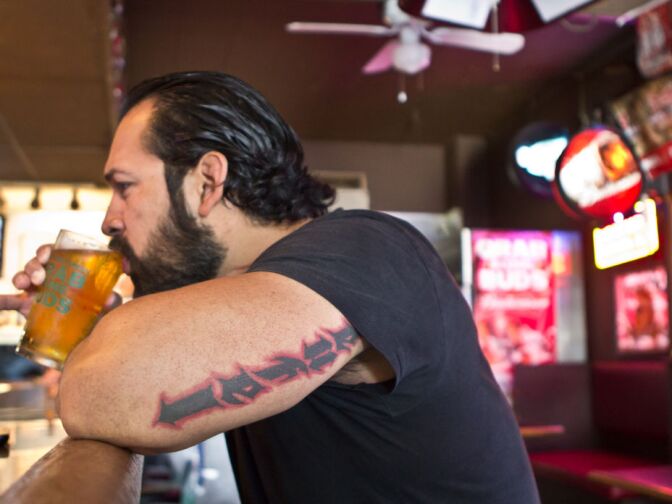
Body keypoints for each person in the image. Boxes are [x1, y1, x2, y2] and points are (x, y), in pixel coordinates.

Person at [0, 71, 539, 503]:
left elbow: (108, 394)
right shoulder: (265, 287)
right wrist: (86, 328)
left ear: (208, 181)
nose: (109, 221)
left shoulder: (365, 250)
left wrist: (102, 344)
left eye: (123, 188)